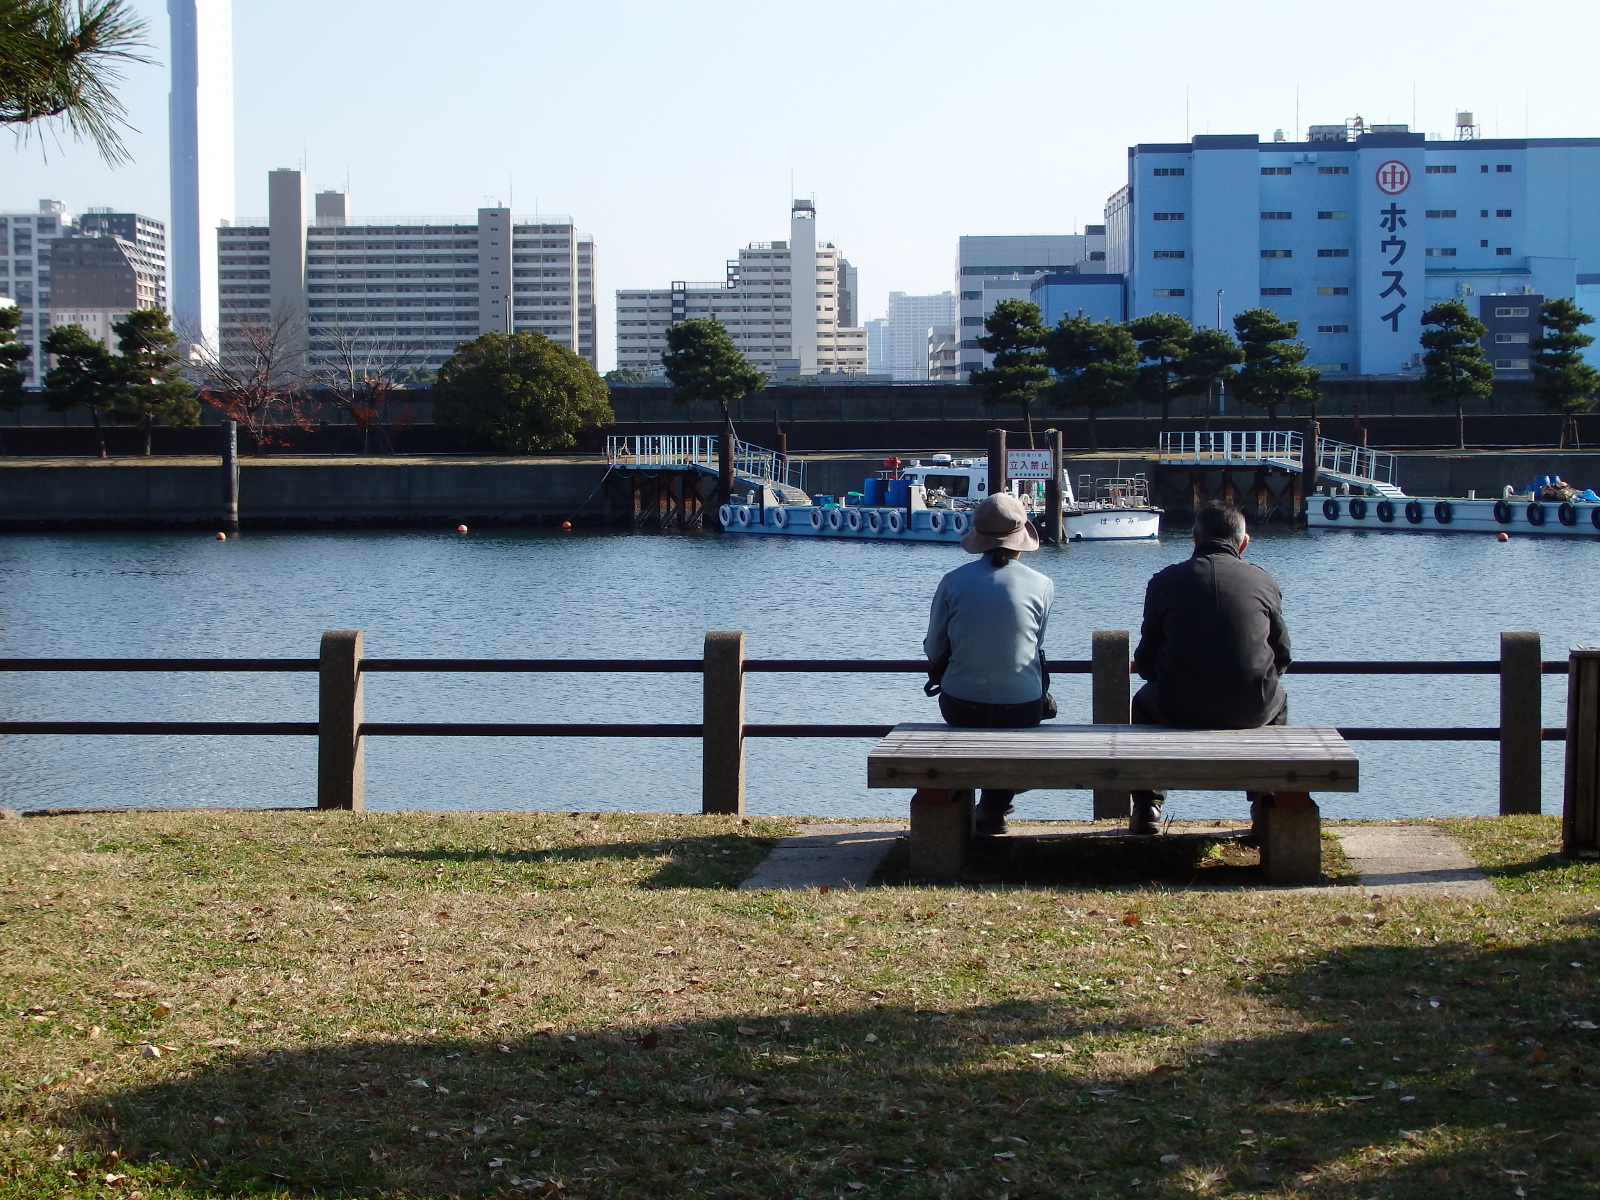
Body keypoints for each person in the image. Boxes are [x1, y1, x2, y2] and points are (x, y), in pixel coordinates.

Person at [1128, 501, 1291, 835]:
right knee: (1280, 700)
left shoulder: (1165, 581)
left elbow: (1145, 659)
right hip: (1251, 707)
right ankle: (1264, 800)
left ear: (1195, 538)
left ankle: (1148, 806)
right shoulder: (1264, 582)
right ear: (1243, 542)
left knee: (1141, 704)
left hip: (1178, 706)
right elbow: (1283, 654)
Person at [924, 492, 1055, 835]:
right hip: (1024, 705)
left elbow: (934, 647)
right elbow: (1035, 643)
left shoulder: (953, 581)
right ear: (1020, 537)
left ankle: (973, 807)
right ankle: (995, 809)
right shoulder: (1042, 585)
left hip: (962, 703)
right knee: (1013, 727)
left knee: (967, 724)